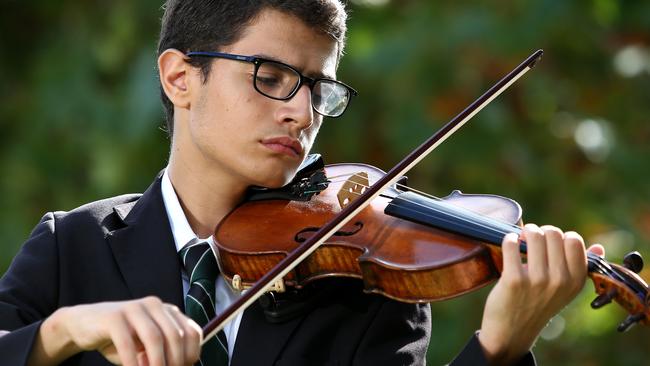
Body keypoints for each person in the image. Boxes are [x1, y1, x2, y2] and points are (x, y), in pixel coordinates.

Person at [0, 1, 604, 365]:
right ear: (181, 78)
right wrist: (62, 332)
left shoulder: (365, 291)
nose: (302, 113)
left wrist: (499, 349)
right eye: (270, 76)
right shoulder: (71, 246)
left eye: (318, 88)